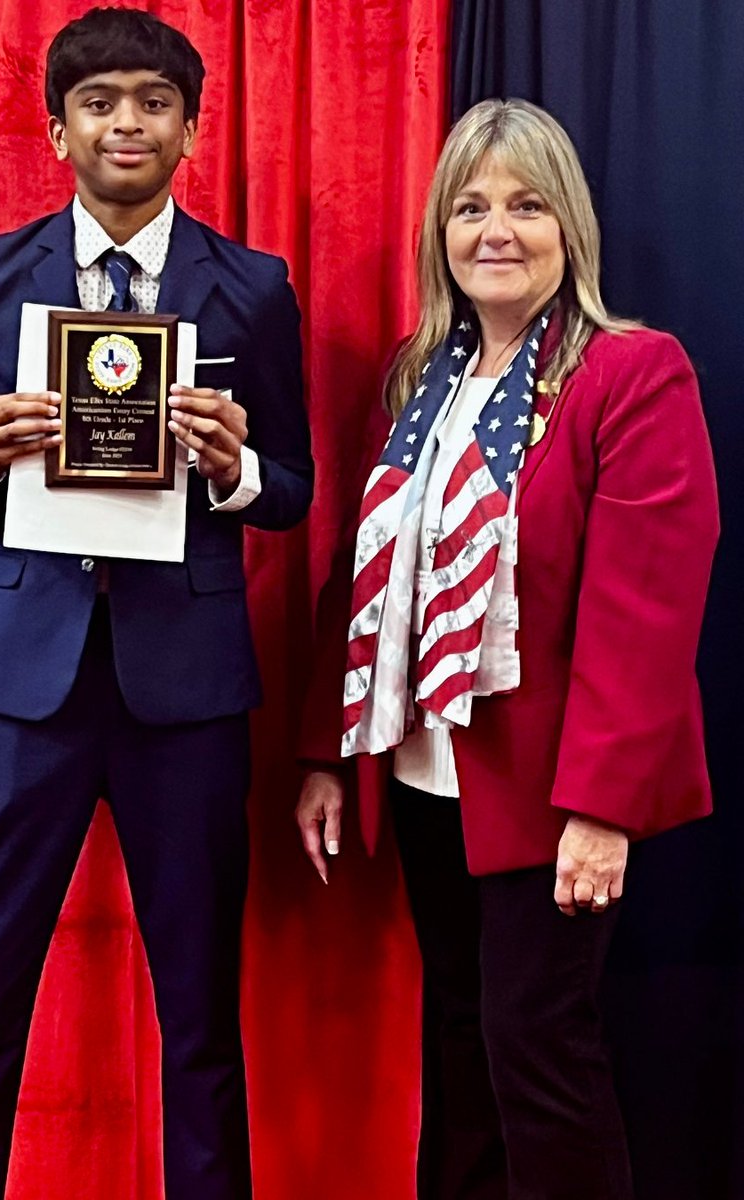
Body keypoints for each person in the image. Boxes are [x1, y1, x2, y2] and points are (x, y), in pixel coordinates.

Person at [0, 9, 312, 1199]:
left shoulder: (251, 287)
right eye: (98, 102)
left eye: (150, 101)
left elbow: (290, 492)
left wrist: (232, 463)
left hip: (182, 695)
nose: (124, 121)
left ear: (191, 127)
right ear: (56, 129)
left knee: (198, 1015)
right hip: (19, 691)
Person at [296, 98, 718, 1200]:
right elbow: (365, 576)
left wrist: (603, 806)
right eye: (472, 206)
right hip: (432, 773)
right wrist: (325, 755)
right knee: (462, 1043)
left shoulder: (628, 374)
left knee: (540, 1056)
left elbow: (647, 611)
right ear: (439, 229)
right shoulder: (418, 378)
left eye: (527, 206)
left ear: (568, 227)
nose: (497, 229)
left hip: (552, 789)